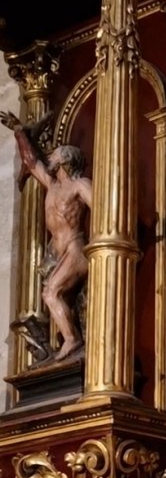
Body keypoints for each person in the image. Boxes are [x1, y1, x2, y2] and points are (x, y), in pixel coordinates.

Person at [1, 112, 92, 361]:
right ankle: (71, 339)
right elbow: (31, 161)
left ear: (65, 160)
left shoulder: (80, 185)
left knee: (51, 293)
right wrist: (19, 131)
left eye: (55, 154)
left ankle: (72, 340)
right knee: (59, 297)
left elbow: (104, 211)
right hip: (57, 252)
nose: (49, 156)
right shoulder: (52, 186)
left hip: (75, 248)